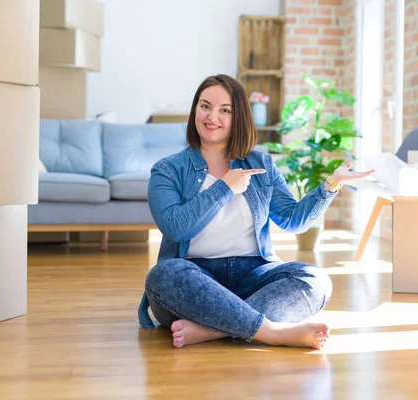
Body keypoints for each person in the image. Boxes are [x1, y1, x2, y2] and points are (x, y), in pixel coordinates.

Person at [137, 74, 374, 349]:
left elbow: (291, 220)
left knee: (316, 280)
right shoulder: (167, 170)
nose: (212, 116)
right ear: (194, 112)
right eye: (205, 106)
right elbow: (177, 228)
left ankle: (211, 330)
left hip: (253, 274)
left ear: (239, 118)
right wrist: (224, 187)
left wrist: (332, 185)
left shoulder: (260, 163)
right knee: (163, 276)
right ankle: (271, 331)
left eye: (225, 110)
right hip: (195, 279)